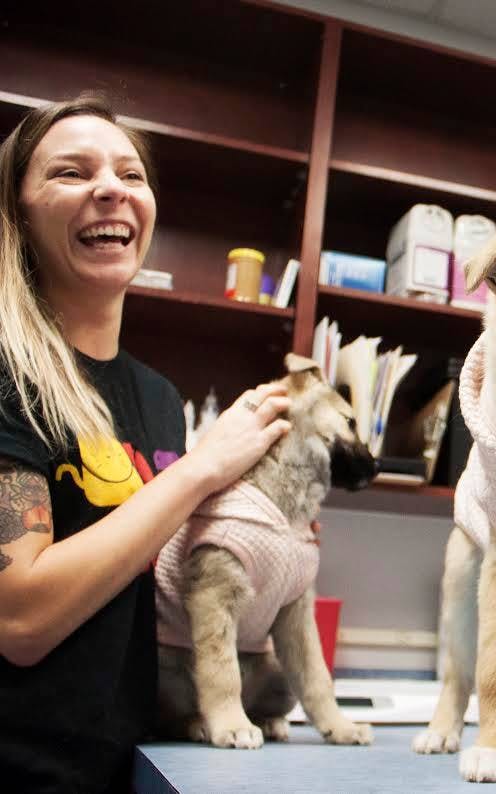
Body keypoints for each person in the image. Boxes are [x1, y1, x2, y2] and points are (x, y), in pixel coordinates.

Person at [0, 95, 292, 792]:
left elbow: (148, 575)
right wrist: (200, 470)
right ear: (18, 213)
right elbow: (21, 616)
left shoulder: (158, 399)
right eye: (71, 172)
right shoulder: (8, 376)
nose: (110, 188)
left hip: (128, 762)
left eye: (130, 175)